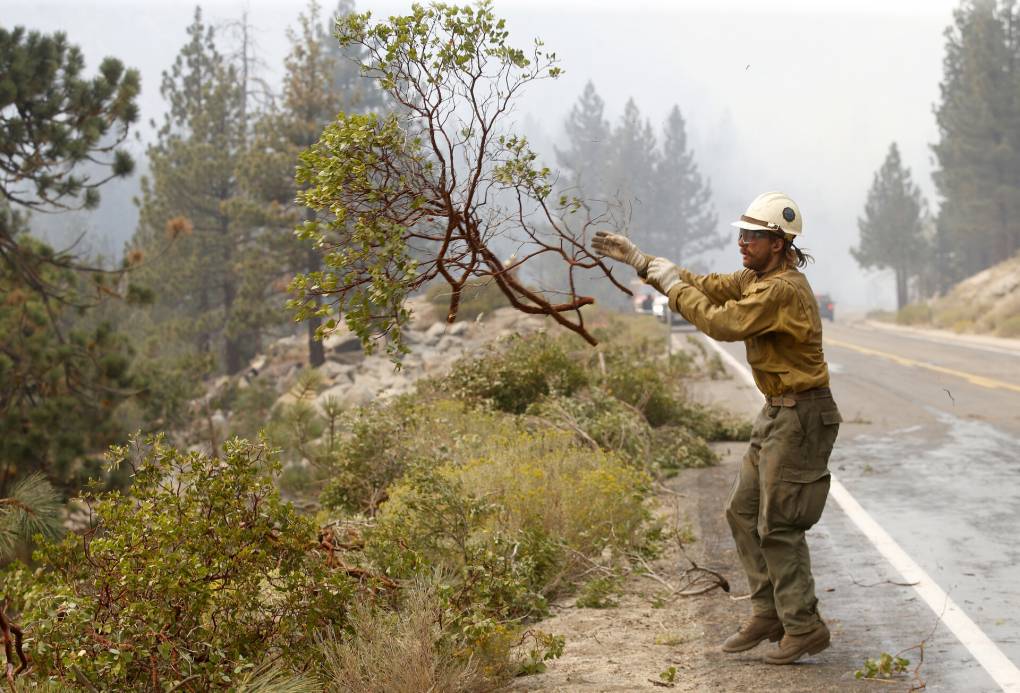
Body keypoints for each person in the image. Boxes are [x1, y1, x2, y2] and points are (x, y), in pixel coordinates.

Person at [592, 191, 841, 665]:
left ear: (780, 243)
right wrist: (645, 262)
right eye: (742, 234)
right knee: (742, 513)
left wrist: (670, 286)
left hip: (803, 416)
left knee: (780, 525)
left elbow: (721, 322)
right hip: (777, 411)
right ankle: (769, 611)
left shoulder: (780, 290)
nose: (743, 243)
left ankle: (804, 626)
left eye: (754, 237)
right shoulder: (756, 277)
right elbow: (706, 285)